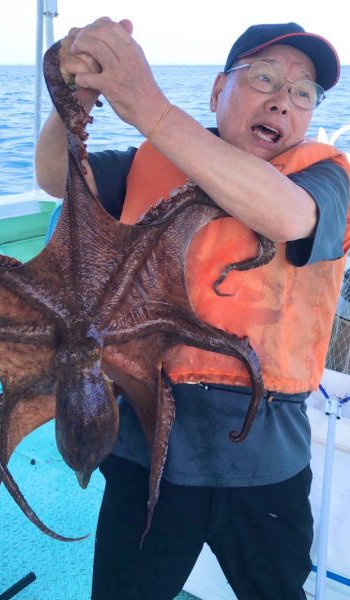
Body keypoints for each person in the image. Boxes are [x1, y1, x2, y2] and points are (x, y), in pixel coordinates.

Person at [35, 19, 350, 600]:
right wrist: (71, 101)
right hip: (141, 449)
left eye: (303, 93)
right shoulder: (144, 164)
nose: (283, 100)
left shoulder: (325, 177)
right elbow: (56, 176)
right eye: (264, 78)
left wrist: (147, 105)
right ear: (216, 92)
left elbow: (288, 219)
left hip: (265, 463)